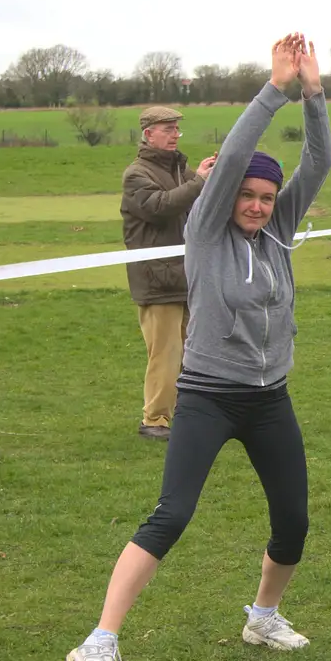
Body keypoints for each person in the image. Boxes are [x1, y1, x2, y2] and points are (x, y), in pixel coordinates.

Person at [67, 34, 331, 661]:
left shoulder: (277, 229)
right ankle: (99, 640)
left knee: (293, 520)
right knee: (172, 512)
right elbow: (239, 154)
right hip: (209, 394)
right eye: (247, 194)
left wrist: (315, 94)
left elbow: (320, 158)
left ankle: (263, 618)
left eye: (266, 197)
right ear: (226, 195)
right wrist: (274, 90)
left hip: (270, 397)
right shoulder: (206, 230)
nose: (257, 204)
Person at [121, 106, 216, 439]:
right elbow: (159, 208)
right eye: (168, 129)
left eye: (177, 129)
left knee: (194, 351)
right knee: (165, 353)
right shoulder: (136, 174)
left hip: (186, 277)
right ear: (148, 134)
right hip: (157, 281)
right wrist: (198, 181)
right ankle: (155, 420)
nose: (175, 134)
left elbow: (193, 196)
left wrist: (204, 174)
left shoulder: (180, 171)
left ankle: (190, 414)